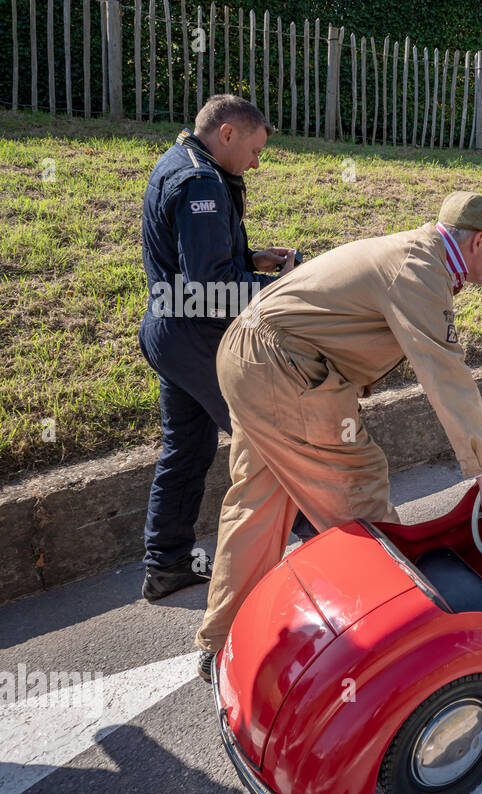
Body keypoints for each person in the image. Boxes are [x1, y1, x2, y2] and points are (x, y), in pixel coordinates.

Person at [192, 192, 482, 681]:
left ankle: (219, 641)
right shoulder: (422, 271)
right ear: (478, 240)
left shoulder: (415, 255)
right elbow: (445, 375)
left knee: (259, 502)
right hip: (286, 368)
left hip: (249, 356)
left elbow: (440, 373)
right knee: (359, 486)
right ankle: (403, 649)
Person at [138, 94, 303, 602]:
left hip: (168, 330)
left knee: (188, 448)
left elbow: (189, 259)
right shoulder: (201, 182)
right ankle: (334, 551)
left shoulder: (180, 160)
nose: (257, 162)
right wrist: (281, 285)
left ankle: (166, 564)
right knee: (273, 442)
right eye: (255, 150)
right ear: (227, 133)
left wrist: (251, 257)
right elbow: (208, 288)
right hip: (197, 337)